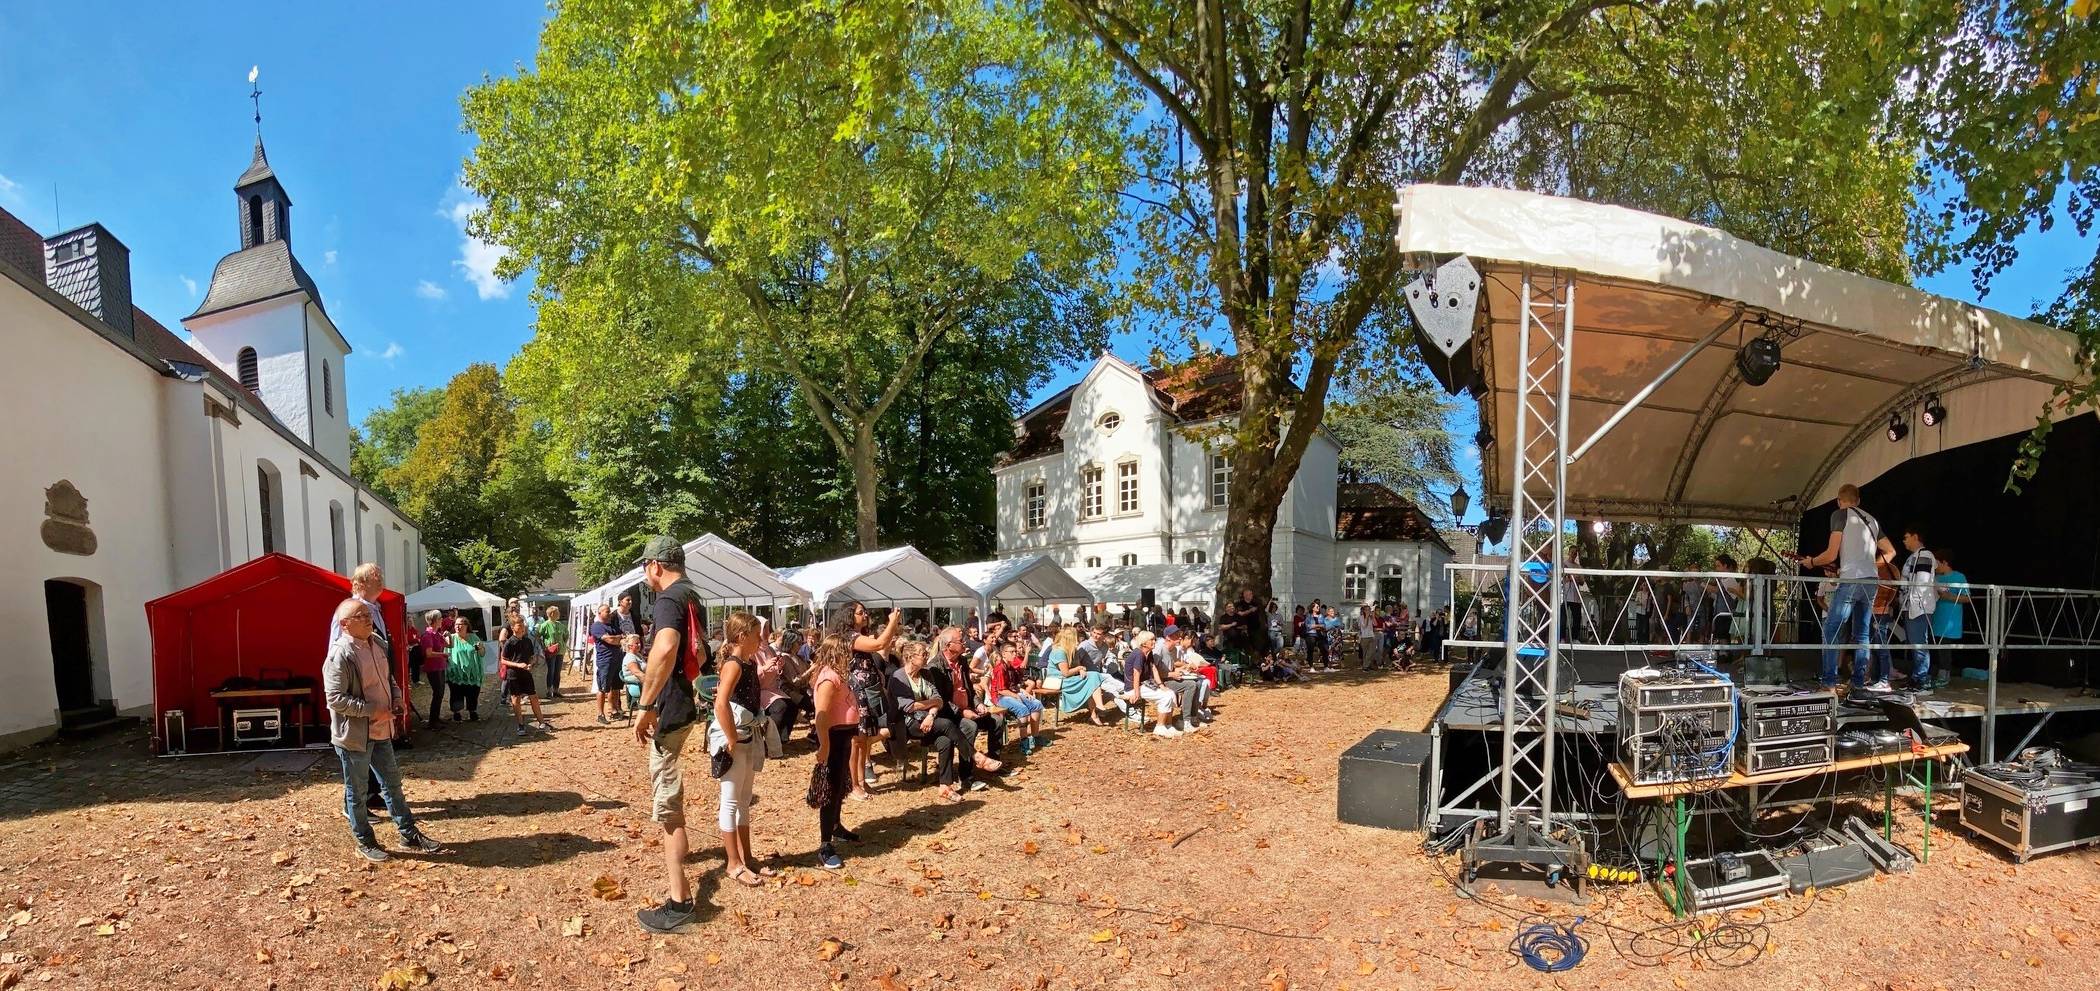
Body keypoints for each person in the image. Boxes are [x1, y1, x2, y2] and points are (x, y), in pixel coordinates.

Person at [630, 536, 712, 933]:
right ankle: (682, 869)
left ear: (656, 565)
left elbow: (665, 648)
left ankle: (679, 902)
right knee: (672, 799)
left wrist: (645, 706)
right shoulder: (693, 595)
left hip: (671, 711)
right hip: (687, 707)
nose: (646, 575)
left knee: (667, 808)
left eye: (645, 567)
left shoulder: (667, 600)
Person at [322, 598, 441, 862]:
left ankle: (408, 833)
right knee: (358, 792)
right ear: (344, 625)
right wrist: (371, 710)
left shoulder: (377, 643)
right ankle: (364, 840)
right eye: (361, 616)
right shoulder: (339, 654)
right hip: (354, 737)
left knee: (393, 785)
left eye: (368, 614)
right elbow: (335, 699)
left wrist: (397, 698)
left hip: (382, 731)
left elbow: (389, 679)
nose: (368, 619)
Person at [1794, 483, 1897, 690]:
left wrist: (1812, 562)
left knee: (1831, 628)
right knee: (1862, 634)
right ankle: (1858, 682)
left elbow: (1831, 554)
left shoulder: (1840, 515)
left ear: (1839, 501)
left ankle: (1829, 681)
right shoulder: (1872, 520)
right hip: (1871, 581)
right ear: (1858, 500)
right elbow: (1890, 551)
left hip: (1851, 579)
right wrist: (1869, 564)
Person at [709, 611, 776, 888]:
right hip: (736, 739)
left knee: (744, 801)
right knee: (731, 801)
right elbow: (720, 703)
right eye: (755, 633)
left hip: (748, 737)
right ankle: (733, 862)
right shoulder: (734, 665)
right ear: (741, 636)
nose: (760, 638)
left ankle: (746, 856)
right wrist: (731, 737)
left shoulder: (747, 663)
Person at [833, 601, 903, 801]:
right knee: (856, 740)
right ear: (849, 616)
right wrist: (893, 622)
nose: (865, 615)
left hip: (867, 692)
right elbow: (881, 644)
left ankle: (861, 782)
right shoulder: (850, 637)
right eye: (860, 612)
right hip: (856, 693)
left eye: (865, 612)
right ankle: (853, 784)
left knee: (864, 741)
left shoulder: (860, 636)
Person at [890, 640, 973, 803]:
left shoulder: (926, 673)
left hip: (928, 721)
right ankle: (974, 755)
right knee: (948, 724)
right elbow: (908, 707)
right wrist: (930, 704)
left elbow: (939, 700)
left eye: (927, 653)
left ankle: (945, 786)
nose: (927, 656)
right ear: (910, 657)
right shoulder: (898, 676)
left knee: (945, 741)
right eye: (923, 654)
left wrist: (931, 715)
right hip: (907, 724)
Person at [809, 634, 860, 870]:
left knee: (839, 787)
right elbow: (821, 716)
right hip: (834, 739)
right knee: (829, 791)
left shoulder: (839, 675)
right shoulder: (829, 678)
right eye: (847, 651)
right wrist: (825, 745)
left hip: (844, 737)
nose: (851, 655)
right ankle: (825, 845)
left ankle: (836, 827)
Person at [1897, 527, 1939, 694]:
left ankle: (1922, 681)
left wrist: (1914, 604)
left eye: (1906, 537)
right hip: (1911, 606)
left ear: (1915, 537)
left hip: (1918, 607)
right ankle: (1916, 679)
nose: (1904, 540)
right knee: (1916, 644)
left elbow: (1921, 582)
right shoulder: (1913, 557)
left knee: (1919, 644)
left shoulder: (1925, 555)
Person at [757, 620, 811, 746]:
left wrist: (778, 667)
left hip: (773, 688)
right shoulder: (754, 650)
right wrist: (765, 668)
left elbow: (777, 672)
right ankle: (769, 741)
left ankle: (782, 738)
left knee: (792, 704)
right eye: (764, 629)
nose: (767, 632)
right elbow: (753, 671)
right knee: (781, 706)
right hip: (762, 690)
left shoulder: (769, 649)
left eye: (767, 629)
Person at [988, 639, 1047, 753]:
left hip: (1010, 693)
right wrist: (1016, 696)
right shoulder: (1000, 668)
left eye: (1015, 651)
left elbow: (1014, 685)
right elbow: (1001, 690)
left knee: (1037, 704)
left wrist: (1023, 691)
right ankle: (1024, 742)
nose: (1015, 654)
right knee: (1022, 709)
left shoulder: (1010, 667)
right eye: (1012, 652)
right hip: (1000, 698)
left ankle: (1035, 737)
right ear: (1004, 654)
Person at [500, 614, 552, 736]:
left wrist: (531, 663)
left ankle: (542, 722)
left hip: (526, 673)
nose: (523, 628)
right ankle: (521, 725)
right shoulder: (509, 643)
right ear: (513, 627)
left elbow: (531, 657)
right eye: (519, 625)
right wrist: (518, 665)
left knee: (533, 696)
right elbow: (503, 660)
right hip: (513, 674)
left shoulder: (527, 641)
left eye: (523, 625)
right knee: (516, 699)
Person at [1048, 625, 1113, 722]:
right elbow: (1066, 673)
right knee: (1093, 677)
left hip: (1067, 679)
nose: (1078, 639)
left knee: (1093, 676)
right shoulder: (1059, 651)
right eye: (1076, 637)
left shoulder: (1069, 650)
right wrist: (1079, 668)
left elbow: (1076, 665)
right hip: (1058, 681)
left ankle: (1095, 713)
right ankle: (1097, 708)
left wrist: (1080, 669)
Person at [1122, 632, 1181, 737]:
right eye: (1152, 640)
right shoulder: (1139, 654)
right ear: (1144, 643)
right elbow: (1136, 674)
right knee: (1165, 696)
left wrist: (1162, 685)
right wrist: (1136, 693)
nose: (1154, 642)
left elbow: (1154, 669)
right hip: (1133, 687)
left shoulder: (1148, 654)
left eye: (1154, 639)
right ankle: (1160, 727)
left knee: (1170, 693)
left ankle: (1168, 725)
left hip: (1144, 685)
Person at [1932, 550, 1971, 689]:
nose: (1935, 566)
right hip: (1936, 617)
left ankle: (1944, 675)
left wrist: (1950, 597)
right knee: (1937, 646)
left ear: (1945, 562)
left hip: (1950, 619)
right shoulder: (1935, 578)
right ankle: (1939, 673)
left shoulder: (1959, 577)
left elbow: (1967, 598)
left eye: (1937, 563)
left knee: (1945, 646)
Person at [444, 618, 484, 721]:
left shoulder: (474, 637)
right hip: (456, 672)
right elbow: (445, 654)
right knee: (456, 693)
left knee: (473, 692)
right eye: (456, 624)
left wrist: (480, 648)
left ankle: (472, 712)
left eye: (460, 624)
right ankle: (456, 713)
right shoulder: (451, 638)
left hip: (472, 672)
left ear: (466, 626)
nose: (457, 626)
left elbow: (482, 653)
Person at [416, 611, 449, 728]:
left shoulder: (436, 634)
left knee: (440, 693)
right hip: (433, 668)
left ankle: (436, 718)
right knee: (437, 693)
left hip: (440, 666)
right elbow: (428, 654)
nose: (442, 620)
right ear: (434, 620)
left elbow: (449, 645)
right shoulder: (427, 635)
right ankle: (432, 721)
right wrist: (442, 655)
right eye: (440, 618)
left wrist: (448, 636)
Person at [537, 605, 569, 704]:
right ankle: (548, 690)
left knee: (557, 671)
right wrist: (543, 646)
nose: (559, 614)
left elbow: (566, 635)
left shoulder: (560, 625)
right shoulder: (545, 625)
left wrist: (562, 643)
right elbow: (538, 636)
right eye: (557, 612)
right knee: (550, 670)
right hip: (550, 651)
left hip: (560, 651)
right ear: (552, 614)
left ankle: (556, 690)